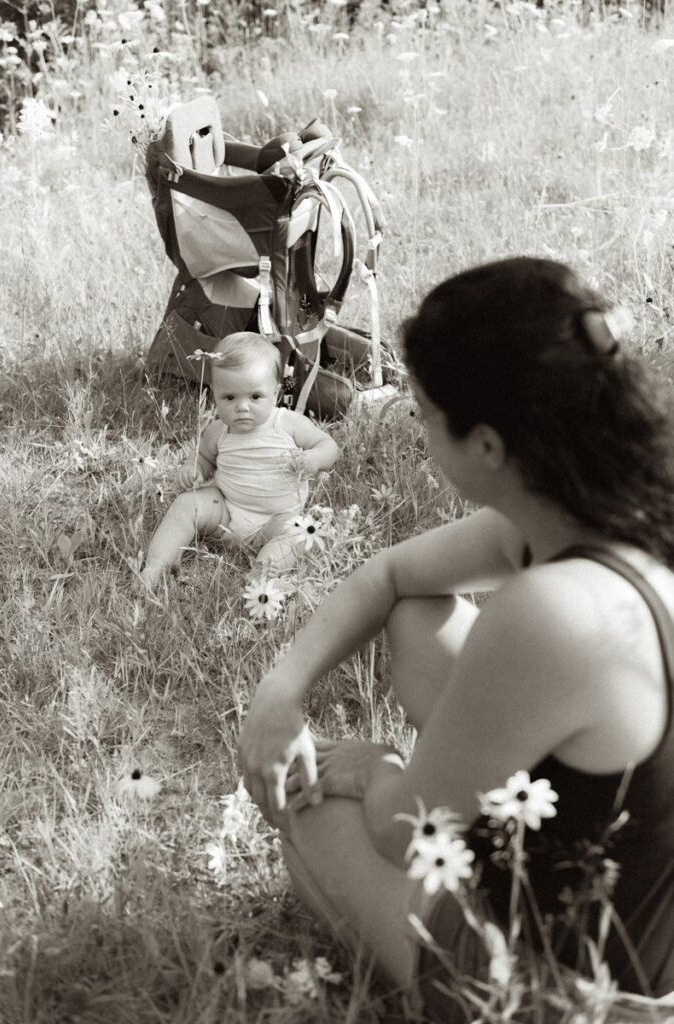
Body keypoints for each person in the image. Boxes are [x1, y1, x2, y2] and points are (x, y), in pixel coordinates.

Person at [239, 258, 674, 1019]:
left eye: (423, 417)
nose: (419, 436)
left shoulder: (551, 611)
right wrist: (281, 691)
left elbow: (407, 832)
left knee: (308, 814)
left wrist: (379, 768)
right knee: (419, 611)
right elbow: (391, 576)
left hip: (581, 995)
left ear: (486, 446)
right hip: (636, 891)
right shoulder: (603, 511)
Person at [140, 332, 339, 586]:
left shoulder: (287, 424)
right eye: (229, 397)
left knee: (298, 532)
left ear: (276, 392)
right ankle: (157, 566)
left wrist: (314, 458)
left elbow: (329, 446)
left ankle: (261, 578)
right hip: (226, 513)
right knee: (186, 504)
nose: (242, 407)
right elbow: (203, 456)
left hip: (276, 520)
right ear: (215, 394)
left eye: (255, 397)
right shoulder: (218, 430)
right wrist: (194, 469)